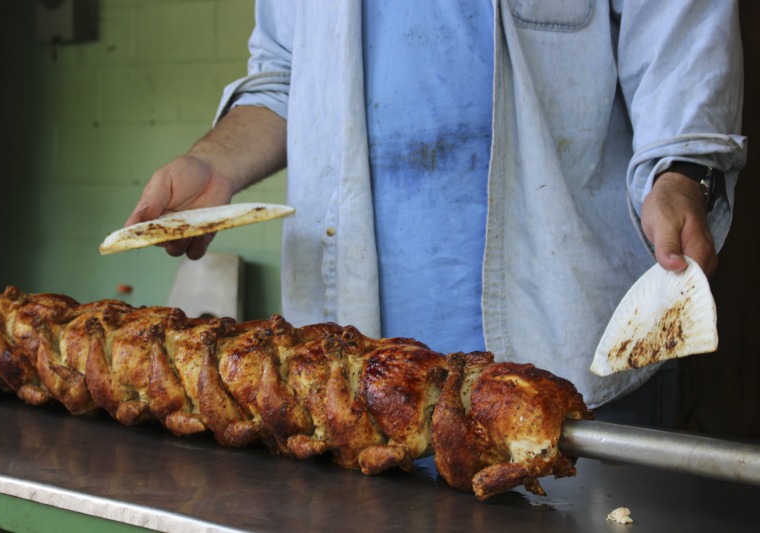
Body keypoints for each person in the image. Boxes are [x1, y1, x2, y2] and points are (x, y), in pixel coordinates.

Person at [125, 1, 746, 427]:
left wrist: (682, 172)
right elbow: (286, 76)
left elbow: (678, 32)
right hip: (348, 380)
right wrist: (215, 166)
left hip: (570, 360)